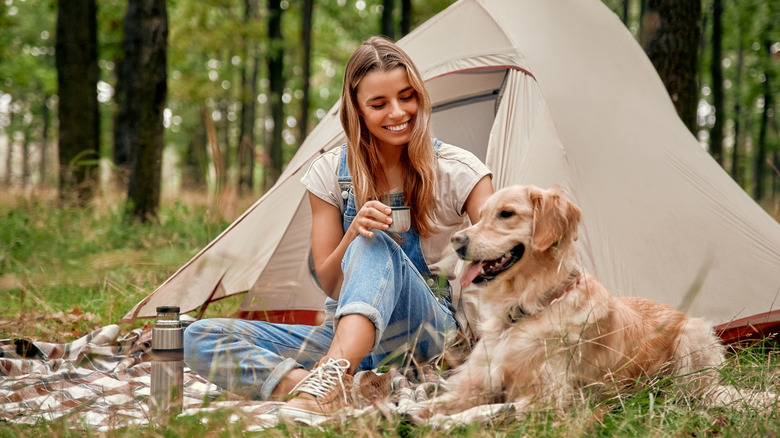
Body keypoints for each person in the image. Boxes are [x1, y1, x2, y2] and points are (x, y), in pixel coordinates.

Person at [183, 36, 493, 422]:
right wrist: (352, 233)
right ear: (357, 110)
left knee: (376, 242)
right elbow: (331, 286)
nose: (398, 112)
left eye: (406, 96)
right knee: (196, 337)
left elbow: (504, 254)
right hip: (347, 338)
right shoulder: (331, 173)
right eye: (379, 104)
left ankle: (328, 380)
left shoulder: (459, 170)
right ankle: (324, 385)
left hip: (430, 335)